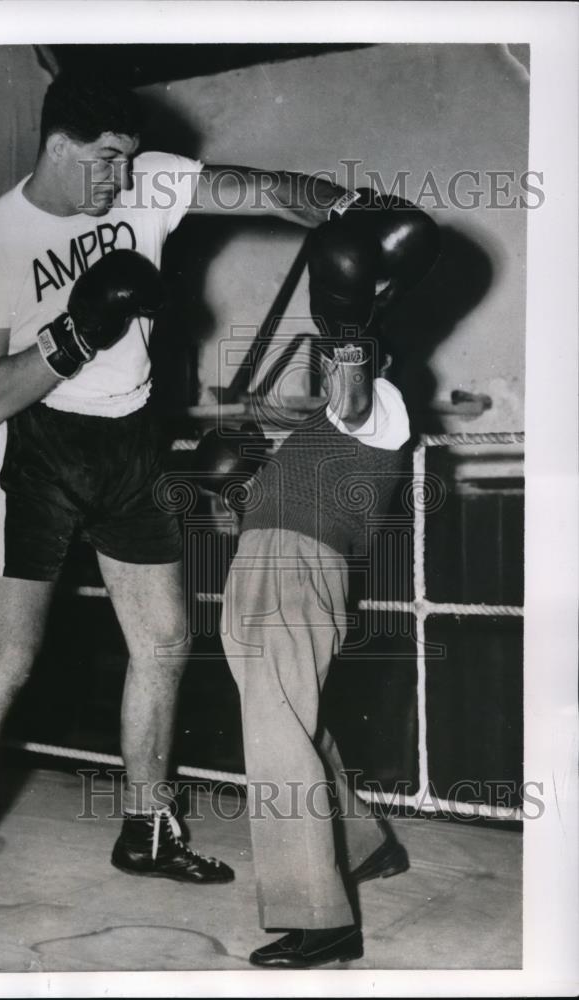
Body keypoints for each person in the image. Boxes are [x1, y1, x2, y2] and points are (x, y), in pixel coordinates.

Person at [0, 71, 381, 960]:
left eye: (131, 162)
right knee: (8, 655)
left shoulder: (149, 177)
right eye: (109, 163)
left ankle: (146, 826)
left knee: (162, 638)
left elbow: (265, 190)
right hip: (39, 447)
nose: (126, 183)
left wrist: (340, 205)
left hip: (130, 443)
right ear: (59, 148)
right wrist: (75, 334)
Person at [217, 192, 440, 968]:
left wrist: (347, 329)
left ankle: (322, 918)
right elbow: (272, 412)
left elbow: (348, 384)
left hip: (295, 570)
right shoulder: (327, 419)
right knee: (291, 718)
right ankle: (365, 846)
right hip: (271, 562)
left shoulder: (380, 403)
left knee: (275, 732)